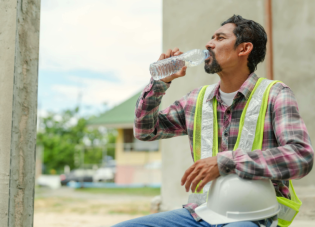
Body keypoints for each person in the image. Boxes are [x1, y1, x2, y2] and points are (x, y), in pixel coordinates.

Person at [112, 15, 314, 227]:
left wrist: (227, 162)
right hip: (202, 213)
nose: (209, 44)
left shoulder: (276, 94)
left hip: (254, 214)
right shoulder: (195, 100)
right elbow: (145, 131)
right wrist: (160, 83)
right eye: (211, 38)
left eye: (219, 38)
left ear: (244, 49)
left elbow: (301, 157)